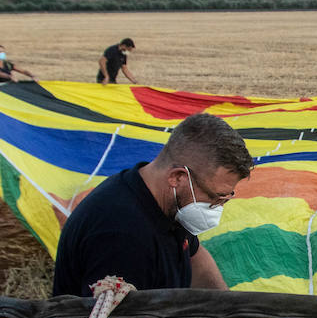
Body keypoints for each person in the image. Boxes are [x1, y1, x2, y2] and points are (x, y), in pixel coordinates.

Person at [52, 112, 253, 296]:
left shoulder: (166, 200)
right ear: (177, 177)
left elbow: (195, 257)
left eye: (226, 198)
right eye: (215, 197)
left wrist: (226, 305)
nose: (218, 207)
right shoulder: (121, 236)